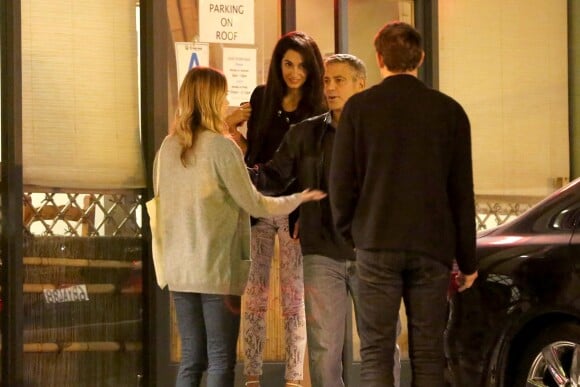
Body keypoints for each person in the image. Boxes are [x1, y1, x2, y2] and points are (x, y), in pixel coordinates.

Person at [153, 66, 325, 387]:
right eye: (223, 95)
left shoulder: (167, 148)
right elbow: (253, 201)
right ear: (211, 99)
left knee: (191, 358)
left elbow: (160, 201)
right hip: (217, 267)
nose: (228, 101)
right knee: (220, 358)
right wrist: (297, 200)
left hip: (179, 269)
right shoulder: (221, 148)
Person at [329, 22, 479, 387]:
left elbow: (340, 182)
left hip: (375, 241)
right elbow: (461, 192)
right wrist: (468, 259)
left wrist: (352, 231)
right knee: (428, 352)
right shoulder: (450, 112)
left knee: (376, 351)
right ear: (421, 58)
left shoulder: (359, 109)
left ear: (379, 59)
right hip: (432, 248)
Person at [251, 54, 401, 387]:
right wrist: (232, 171)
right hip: (322, 254)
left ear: (361, 84)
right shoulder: (304, 134)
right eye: (327, 81)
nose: (330, 88)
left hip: (374, 257)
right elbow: (273, 177)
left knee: (379, 346)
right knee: (323, 349)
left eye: (339, 80)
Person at [242, 31, 326, 387]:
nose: (294, 72)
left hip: (295, 212)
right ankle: (252, 377)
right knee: (255, 296)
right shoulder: (262, 98)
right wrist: (231, 128)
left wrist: (307, 213)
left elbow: (317, 167)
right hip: (259, 206)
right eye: (288, 64)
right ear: (278, 65)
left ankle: (293, 380)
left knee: (294, 300)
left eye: (302, 66)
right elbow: (254, 155)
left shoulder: (318, 108)